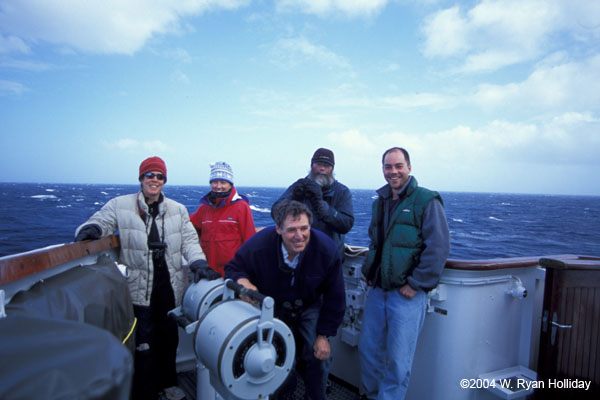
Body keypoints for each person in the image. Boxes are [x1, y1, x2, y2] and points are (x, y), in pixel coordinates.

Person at [74, 156, 215, 400]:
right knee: (143, 344)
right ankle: (144, 392)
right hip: (139, 290)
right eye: (150, 175)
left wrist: (198, 262)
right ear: (141, 178)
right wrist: (92, 230)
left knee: (168, 340)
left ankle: (169, 384)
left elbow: (190, 241)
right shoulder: (121, 205)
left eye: (159, 176)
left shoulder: (178, 210)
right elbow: (102, 220)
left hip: (170, 288)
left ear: (164, 181)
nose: (155, 180)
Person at [225, 199, 346, 400]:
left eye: (304, 228)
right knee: (276, 357)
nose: (299, 236)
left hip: (309, 306)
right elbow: (233, 268)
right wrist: (244, 282)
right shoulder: (260, 245)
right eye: (291, 230)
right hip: (273, 308)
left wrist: (324, 336)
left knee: (318, 357)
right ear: (278, 229)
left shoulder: (326, 250)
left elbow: (336, 297)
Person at [358, 147, 450, 400]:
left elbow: (438, 247)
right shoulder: (380, 202)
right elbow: (375, 241)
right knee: (368, 351)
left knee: (399, 360)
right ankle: (372, 395)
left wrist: (417, 283)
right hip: (378, 289)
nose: (393, 171)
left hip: (406, 294)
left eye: (398, 166)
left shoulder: (426, 200)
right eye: (388, 167)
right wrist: (369, 271)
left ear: (409, 167)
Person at [272, 148, 354, 259]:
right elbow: (275, 212)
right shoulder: (300, 186)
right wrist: (293, 200)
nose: (322, 168)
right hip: (299, 256)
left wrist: (324, 208)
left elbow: (346, 224)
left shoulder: (342, 192)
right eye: (319, 164)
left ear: (332, 169)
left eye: (327, 165)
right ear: (312, 165)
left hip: (329, 257)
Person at [190, 162, 256, 276]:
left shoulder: (241, 207)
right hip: (208, 273)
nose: (218, 186)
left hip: (232, 273)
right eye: (215, 182)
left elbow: (250, 240)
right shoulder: (204, 208)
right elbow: (187, 223)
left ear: (230, 184)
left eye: (223, 182)